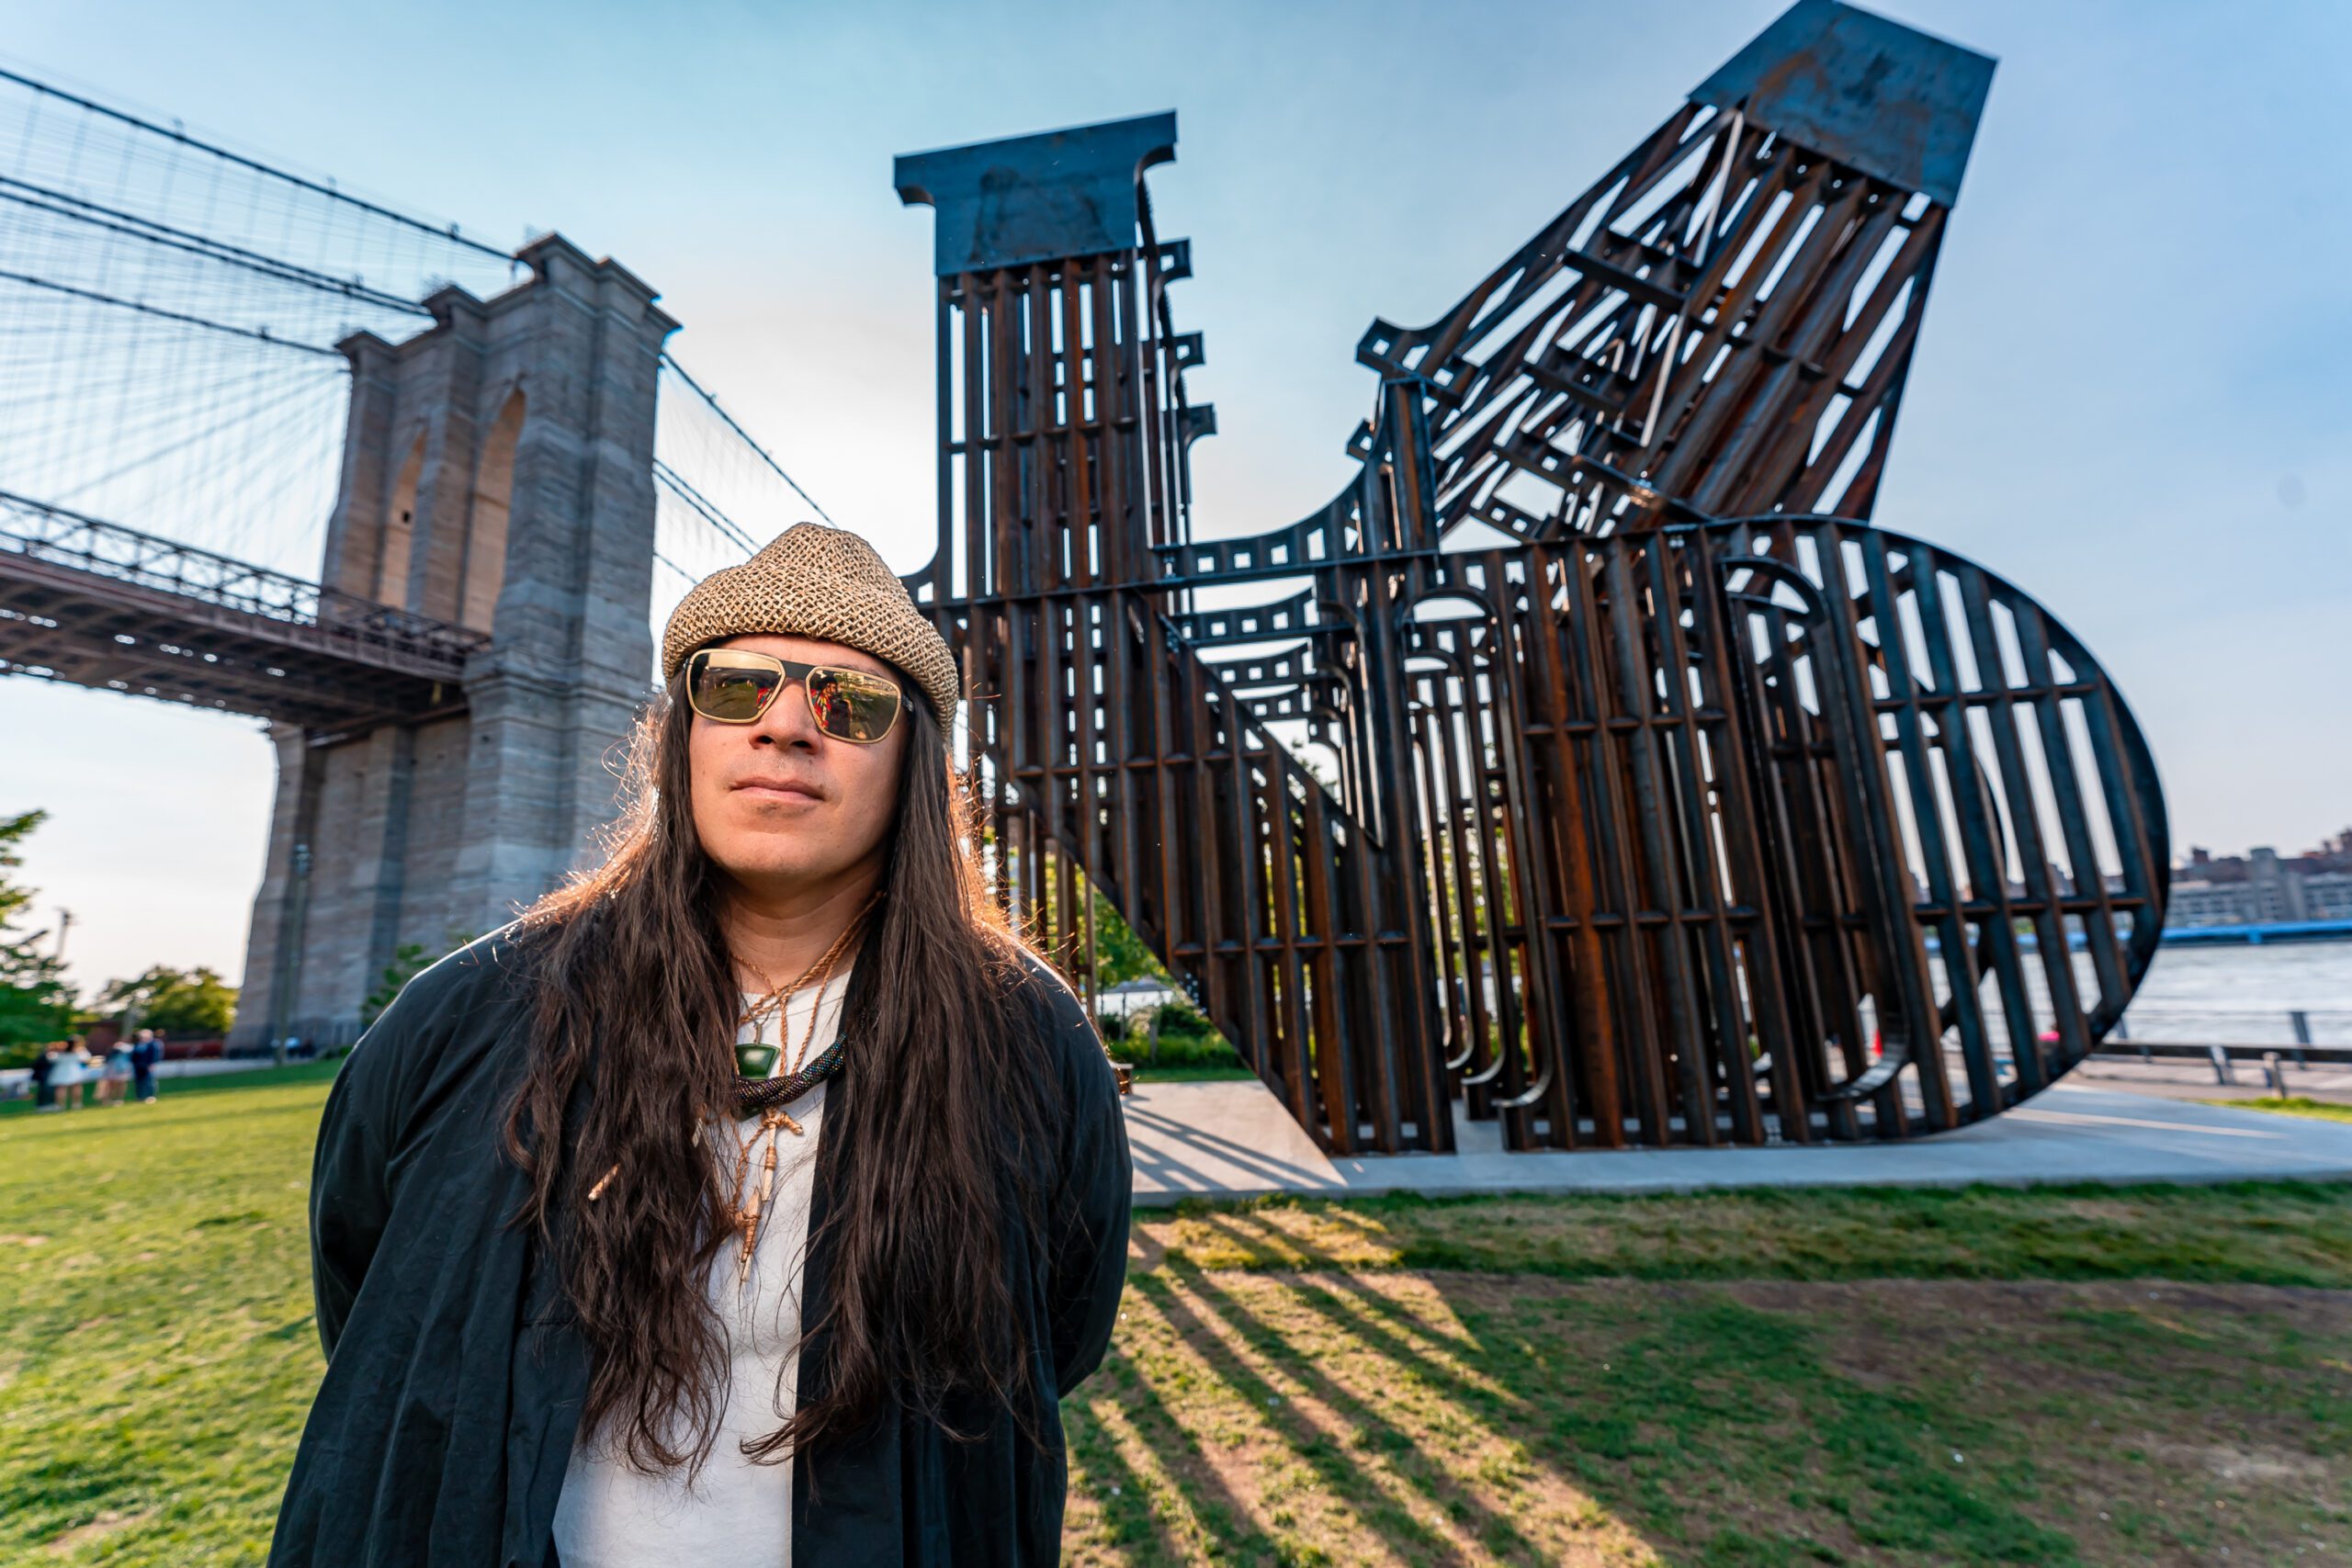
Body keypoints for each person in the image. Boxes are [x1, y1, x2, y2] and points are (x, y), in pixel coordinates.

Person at [272, 524, 1133, 1568]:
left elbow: (1060, 1328)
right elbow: (382, 1312)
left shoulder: (1025, 1037)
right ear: (681, 735)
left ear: (913, 764)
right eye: (736, 690)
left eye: (848, 706)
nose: (784, 729)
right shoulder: (463, 1015)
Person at [98, 1038, 134, 1106]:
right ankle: (109, 1099)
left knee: (121, 1084)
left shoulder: (128, 1048)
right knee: (111, 1085)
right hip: (112, 1068)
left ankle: (119, 1099)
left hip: (123, 1068)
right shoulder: (112, 1049)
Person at [133, 1029, 163, 1103]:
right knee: (139, 1082)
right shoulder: (138, 1044)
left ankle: (151, 1096)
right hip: (138, 1066)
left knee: (149, 1081)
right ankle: (139, 1097)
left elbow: (155, 1055)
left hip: (148, 1065)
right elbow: (134, 1056)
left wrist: (152, 1064)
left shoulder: (153, 1044)